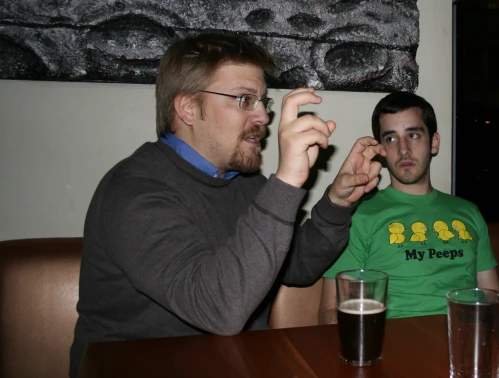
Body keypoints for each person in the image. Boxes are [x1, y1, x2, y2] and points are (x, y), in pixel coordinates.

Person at [70, 33, 384, 377]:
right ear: (188, 108)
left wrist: (337, 202)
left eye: (263, 101)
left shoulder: (245, 185)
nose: (264, 117)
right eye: (244, 99)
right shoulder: (134, 191)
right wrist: (286, 181)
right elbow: (219, 310)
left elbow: (296, 267)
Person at [317, 92, 499, 323]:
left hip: (463, 342)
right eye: (391, 139)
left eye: (413, 135)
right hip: (391, 347)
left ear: (433, 143)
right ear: (381, 149)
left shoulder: (469, 212)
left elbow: (493, 300)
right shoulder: (358, 215)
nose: (403, 150)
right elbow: (330, 312)